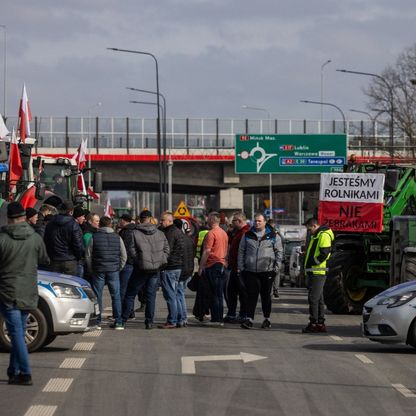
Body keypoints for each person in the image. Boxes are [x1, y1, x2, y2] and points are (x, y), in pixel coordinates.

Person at [0, 202, 49, 386]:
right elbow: (45, 259)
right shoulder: (35, 238)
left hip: (8, 291)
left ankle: (26, 373)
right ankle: (14, 371)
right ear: (24, 217)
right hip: (29, 292)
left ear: (9, 218)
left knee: (16, 333)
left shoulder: (2, 238)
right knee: (18, 332)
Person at [122, 210, 169, 329]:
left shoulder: (134, 233)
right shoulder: (159, 233)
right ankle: (149, 322)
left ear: (139, 219)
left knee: (130, 294)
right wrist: (160, 261)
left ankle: (122, 320)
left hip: (140, 269)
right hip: (155, 270)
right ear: (151, 218)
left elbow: (131, 250)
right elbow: (166, 250)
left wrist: (139, 261)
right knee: (151, 296)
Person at [238, 213, 283, 329]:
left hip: (267, 271)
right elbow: (241, 251)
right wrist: (242, 268)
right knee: (251, 296)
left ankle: (266, 319)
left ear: (265, 222)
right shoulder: (247, 235)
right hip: (250, 271)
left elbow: (279, 253)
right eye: (255, 221)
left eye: (259, 221)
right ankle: (249, 319)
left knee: (266, 296)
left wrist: (276, 269)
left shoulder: (273, 235)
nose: (257, 223)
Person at [85, 216, 127, 330]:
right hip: (113, 270)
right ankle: (118, 322)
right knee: (116, 296)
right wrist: (119, 268)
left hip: (98, 270)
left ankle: (97, 322)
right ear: (110, 225)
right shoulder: (117, 237)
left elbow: (88, 255)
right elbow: (124, 256)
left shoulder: (94, 237)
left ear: (100, 225)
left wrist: (91, 269)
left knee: (98, 296)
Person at [302, 218, 334, 333]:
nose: (309, 231)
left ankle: (313, 323)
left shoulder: (323, 235)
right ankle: (320, 323)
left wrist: (313, 261)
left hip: (318, 272)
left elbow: (324, 253)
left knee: (313, 299)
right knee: (319, 299)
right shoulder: (317, 235)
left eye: (309, 228)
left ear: (314, 226)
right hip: (315, 271)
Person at [198, 212, 228, 325]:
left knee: (214, 294)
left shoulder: (211, 234)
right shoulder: (224, 233)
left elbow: (206, 251)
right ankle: (219, 318)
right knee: (219, 294)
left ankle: (215, 319)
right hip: (221, 264)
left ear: (211, 220)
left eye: (208, 218)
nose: (206, 220)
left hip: (213, 265)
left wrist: (201, 267)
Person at [44, 200, 84, 276]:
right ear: (71, 211)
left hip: (54, 260)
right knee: (70, 285)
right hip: (69, 260)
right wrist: (77, 257)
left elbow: (46, 240)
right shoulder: (73, 224)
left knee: (54, 285)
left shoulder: (50, 223)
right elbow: (78, 244)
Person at [159, 211, 184, 329]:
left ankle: (172, 321)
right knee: (175, 294)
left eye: (162, 220)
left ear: (169, 221)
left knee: (170, 296)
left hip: (170, 267)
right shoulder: (178, 231)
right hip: (178, 267)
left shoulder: (170, 233)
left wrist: (161, 264)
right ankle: (179, 319)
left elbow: (167, 251)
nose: (160, 222)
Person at [224, 211, 250, 323]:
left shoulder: (246, 233)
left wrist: (241, 267)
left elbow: (245, 252)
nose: (232, 223)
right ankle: (231, 314)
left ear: (239, 221)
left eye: (233, 221)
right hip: (234, 267)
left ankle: (243, 314)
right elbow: (228, 241)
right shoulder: (238, 232)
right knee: (231, 291)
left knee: (242, 293)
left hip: (241, 268)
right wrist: (230, 232)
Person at [174, 218, 195, 328]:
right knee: (181, 294)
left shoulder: (178, 239)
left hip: (180, 270)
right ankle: (184, 318)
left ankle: (181, 318)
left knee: (178, 294)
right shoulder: (189, 239)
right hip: (188, 270)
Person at [118, 213, 136, 308]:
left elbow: (125, 249)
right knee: (129, 290)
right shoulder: (134, 230)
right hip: (133, 263)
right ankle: (129, 311)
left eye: (120, 220)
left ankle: (121, 311)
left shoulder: (126, 231)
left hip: (127, 263)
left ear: (123, 221)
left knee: (122, 289)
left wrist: (122, 262)